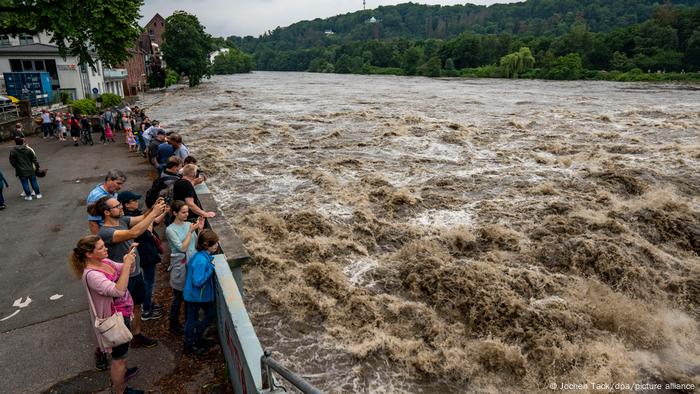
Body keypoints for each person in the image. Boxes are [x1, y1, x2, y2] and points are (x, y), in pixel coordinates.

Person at [89, 196, 168, 348]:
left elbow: (143, 218)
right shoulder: (105, 232)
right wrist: (153, 214)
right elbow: (133, 233)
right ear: (106, 212)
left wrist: (154, 207)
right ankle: (115, 345)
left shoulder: (123, 220)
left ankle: (136, 336)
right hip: (122, 279)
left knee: (137, 305)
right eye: (117, 206)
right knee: (120, 313)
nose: (121, 207)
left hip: (136, 274)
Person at [68, 235, 143, 394]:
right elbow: (118, 290)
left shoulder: (105, 262)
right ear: (89, 254)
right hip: (115, 319)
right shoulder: (92, 275)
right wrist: (127, 265)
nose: (106, 249)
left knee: (122, 352)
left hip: (123, 314)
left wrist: (128, 259)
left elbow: (127, 271)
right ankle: (120, 390)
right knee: (118, 358)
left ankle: (122, 372)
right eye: (101, 248)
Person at [120, 191, 165, 321]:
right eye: (134, 200)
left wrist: (156, 209)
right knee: (148, 282)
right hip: (145, 253)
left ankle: (146, 305)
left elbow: (148, 218)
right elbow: (147, 228)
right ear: (127, 204)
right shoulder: (128, 219)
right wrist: (153, 213)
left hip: (144, 253)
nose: (137, 202)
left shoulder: (132, 215)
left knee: (146, 281)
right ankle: (146, 310)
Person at [165, 200, 203, 333]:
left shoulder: (189, 225)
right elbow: (182, 248)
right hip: (180, 265)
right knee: (179, 296)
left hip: (192, 263)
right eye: (183, 212)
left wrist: (200, 229)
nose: (187, 214)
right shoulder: (170, 230)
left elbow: (197, 245)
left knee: (190, 295)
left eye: (187, 211)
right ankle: (174, 323)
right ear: (175, 213)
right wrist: (190, 232)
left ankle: (189, 322)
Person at [183, 229, 219, 355]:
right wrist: (211, 269)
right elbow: (198, 281)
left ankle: (196, 338)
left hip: (196, 295)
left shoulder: (200, 256)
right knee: (194, 319)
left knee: (205, 315)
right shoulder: (201, 261)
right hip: (196, 296)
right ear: (205, 245)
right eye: (214, 243)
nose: (217, 245)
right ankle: (190, 343)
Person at [87, 170, 126, 234]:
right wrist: (99, 240)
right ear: (109, 180)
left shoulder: (113, 191)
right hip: (107, 234)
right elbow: (93, 222)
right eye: (118, 183)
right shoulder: (96, 196)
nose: (120, 187)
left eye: (122, 184)